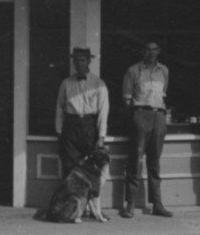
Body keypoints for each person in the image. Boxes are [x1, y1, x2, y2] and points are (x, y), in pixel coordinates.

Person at [120, 40, 173, 218]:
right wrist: (135, 119)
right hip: (140, 114)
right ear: (143, 51)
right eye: (148, 50)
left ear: (159, 51)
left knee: (154, 161)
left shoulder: (164, 71)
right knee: (135, 161)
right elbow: (127, 100)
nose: (151, 53)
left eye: (154, 50)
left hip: (159, 116)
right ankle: (130, 204)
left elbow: (164, 94)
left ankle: (157, 204)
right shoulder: (133, 71)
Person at [53, 46, 108, 176]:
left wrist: (101, 136)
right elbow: (60, 108)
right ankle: (71, 190)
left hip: (90, 127)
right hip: (71, 126)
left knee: (91, 168)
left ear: (89, 61)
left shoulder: (98, 83)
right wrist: (59, 132)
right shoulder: (66, 83)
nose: (79, 63)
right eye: (76, 60)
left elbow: (103, 111)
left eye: (82, 60)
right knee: (70, 167)